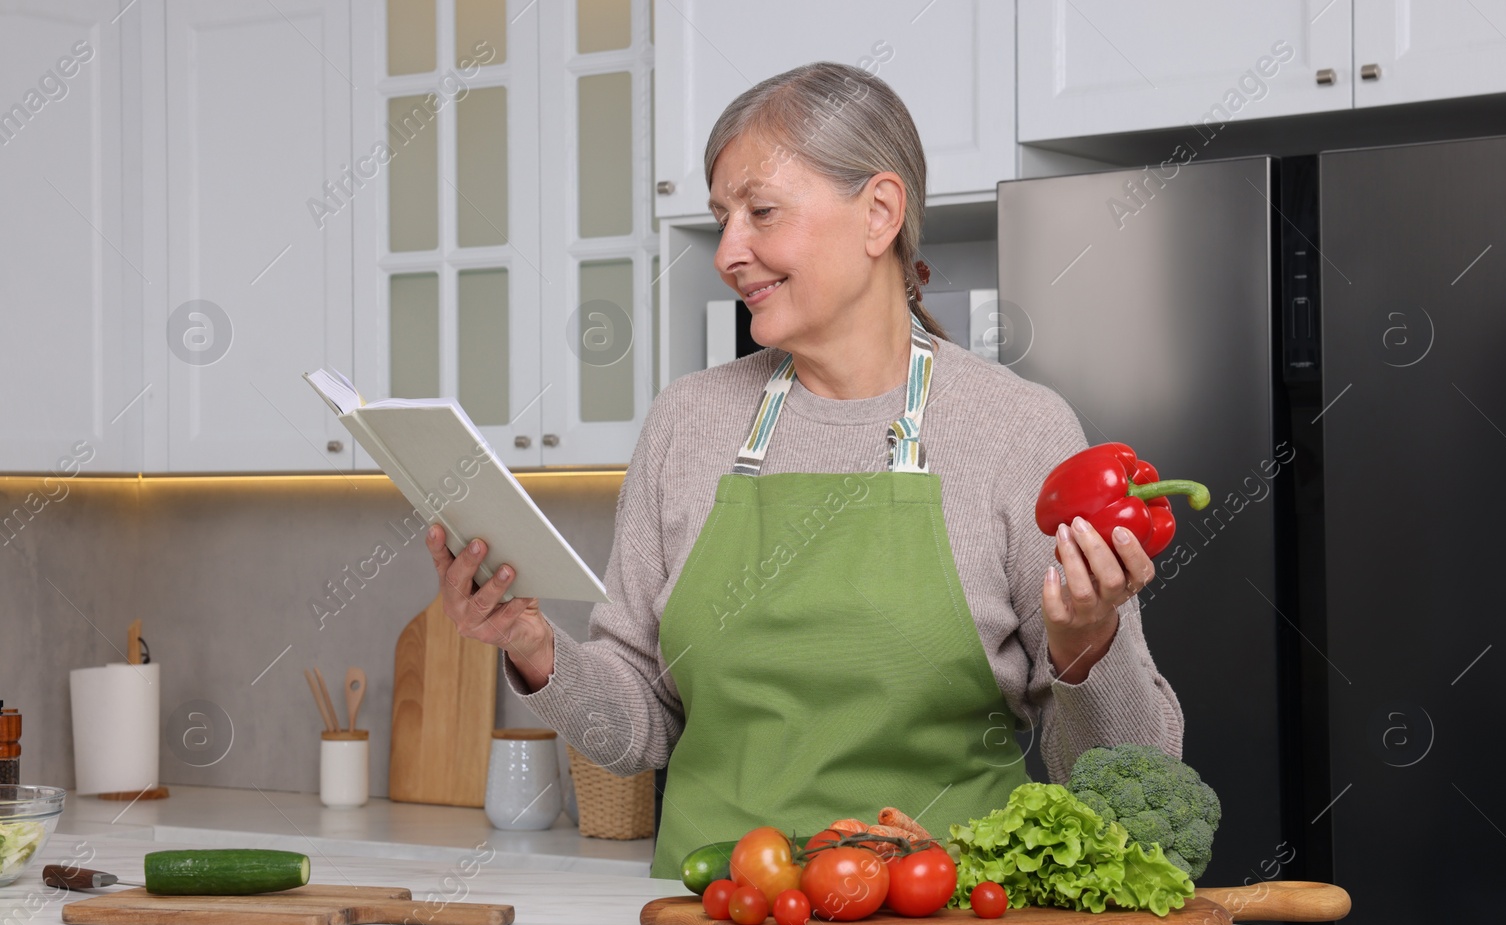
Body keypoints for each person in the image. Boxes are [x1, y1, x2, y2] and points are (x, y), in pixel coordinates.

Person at [426, 61, 1182, 878]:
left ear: (879, 213)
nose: (727, 252)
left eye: (760, 212)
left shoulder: (1017, 430)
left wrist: (1084, 647)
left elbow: (1123, 782)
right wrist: (537, 650)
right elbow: (638, 731)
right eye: (721, 219)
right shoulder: (688, 422)